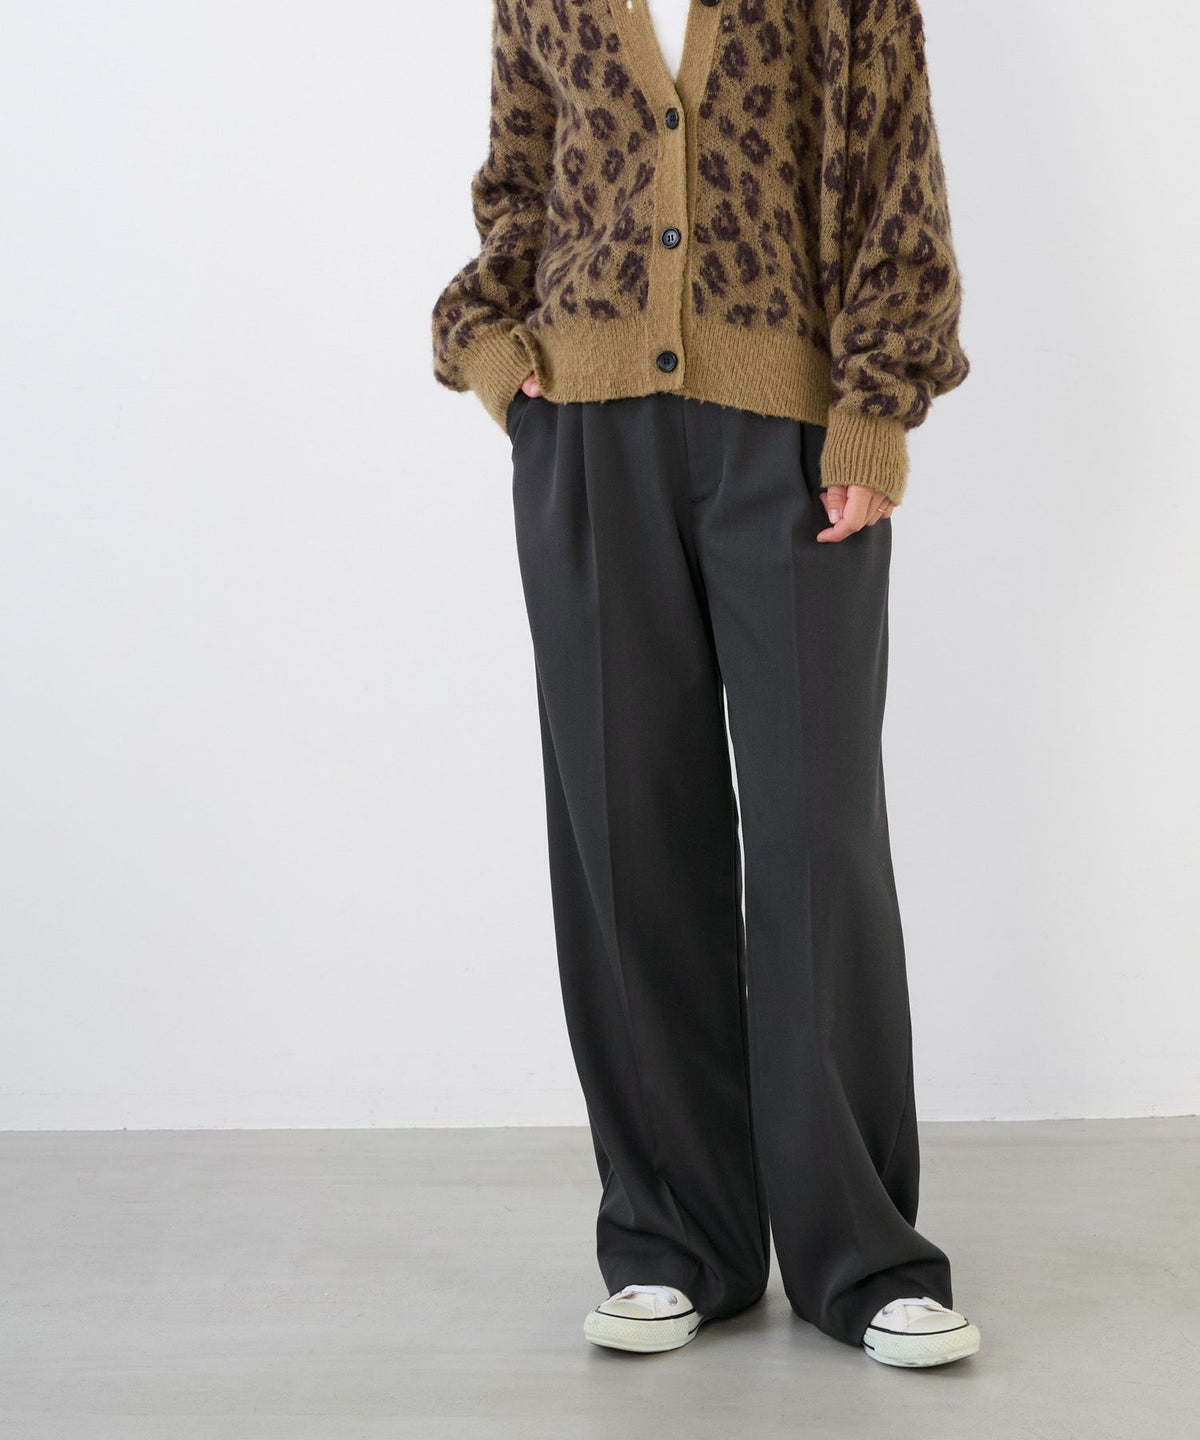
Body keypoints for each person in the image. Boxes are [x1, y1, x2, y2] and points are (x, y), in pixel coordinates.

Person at [430, 0, 981, 1368]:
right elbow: (519, 172)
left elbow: (893, 174)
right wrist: (499, 356)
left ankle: (863, 1255)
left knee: (815, 840)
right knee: (627, 838)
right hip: (585, 436)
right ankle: (676, 1240)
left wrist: (873, 411)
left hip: (789, 441)